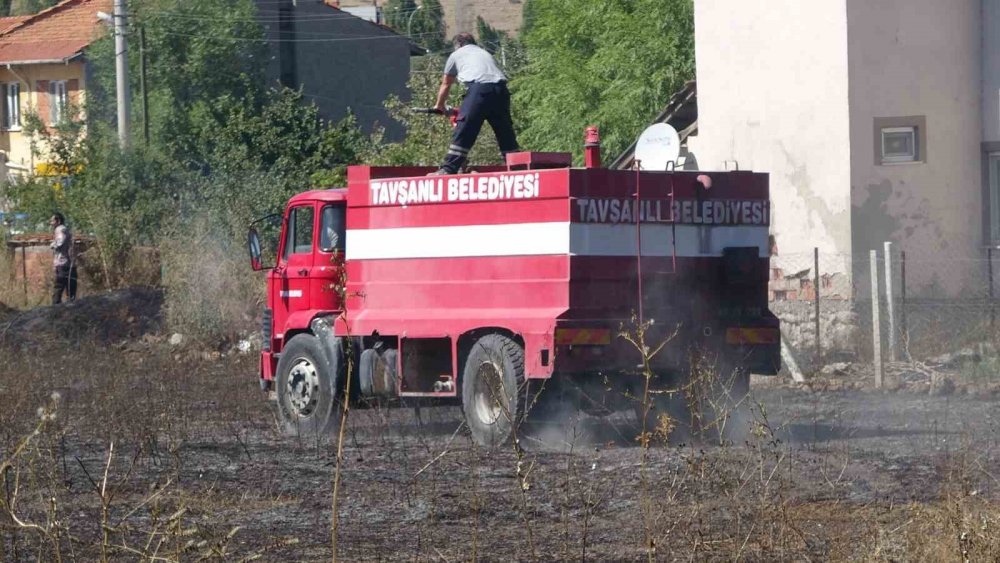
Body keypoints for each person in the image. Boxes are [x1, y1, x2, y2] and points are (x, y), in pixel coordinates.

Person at [430, 33, 519, 175]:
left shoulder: (456, 55)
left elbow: (446, 84)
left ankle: (448, 169)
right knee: (505, 132)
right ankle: (518, 169)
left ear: (458, 45)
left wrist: (439, 106)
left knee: (465, 129)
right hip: (501, 91)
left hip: (479, 90)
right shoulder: (484, 52)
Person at [49, 212, 77, 304]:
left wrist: (52, 245)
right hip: (68, 263)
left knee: (59, 286)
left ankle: (56, 309)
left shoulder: (60, 229)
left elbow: (60, 242)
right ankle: (70, 306)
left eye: (52, 220)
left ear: (58, 221)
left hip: (63, 262)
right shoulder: (64, 229)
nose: (51, 223)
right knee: (70, 287)